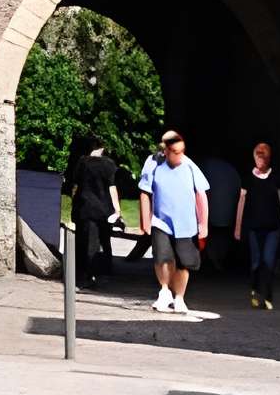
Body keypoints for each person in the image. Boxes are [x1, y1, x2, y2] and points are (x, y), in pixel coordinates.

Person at [136, 129, 211, 314]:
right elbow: (145, 192)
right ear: (166, 151)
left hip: (186, 224)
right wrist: (145, 220)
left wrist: (203, 224)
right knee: (162, 257)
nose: (179, 156)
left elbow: (201, 194)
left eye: (181, 152)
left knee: (184, 263)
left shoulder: (190, 166)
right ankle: (164, 291)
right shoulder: (153, 163)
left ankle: (179, 298)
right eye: (175, 152)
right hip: (161, 221)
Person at [234, 139, 280, 309]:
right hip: (253, 227)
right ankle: (255, 290)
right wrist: (238, 226)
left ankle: (268, 295)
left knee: (269, 261)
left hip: (272, 227)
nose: (261, 160)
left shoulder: (276, 177)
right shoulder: (248, 178)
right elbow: (241, 202)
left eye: (264, 157)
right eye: (258, 156)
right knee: (256, 262)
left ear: (269, 158)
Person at [70, 137, 121, 284]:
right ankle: (106, 267)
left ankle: (85, 273)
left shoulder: (81, 163)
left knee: (86, 241)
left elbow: (75, 186)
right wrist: (117, 210)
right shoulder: (108, 164)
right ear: (102, 148)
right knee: (105, 239)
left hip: (85, 207)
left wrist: (74, 206)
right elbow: (112, 188)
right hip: (104, 209)